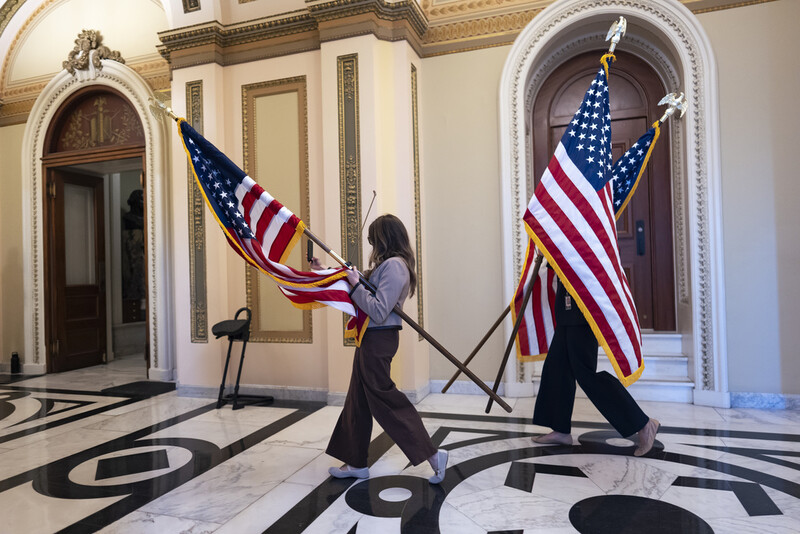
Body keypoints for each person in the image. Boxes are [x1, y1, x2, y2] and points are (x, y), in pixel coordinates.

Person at [311, 214, 448, 483]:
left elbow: (378, 308)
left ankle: (432, 455)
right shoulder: (388, 265)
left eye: (374, 240)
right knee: (357, 401)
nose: (372, 245)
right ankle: (355, 462)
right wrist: (325, 270)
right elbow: (359, 281)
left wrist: (354, 285)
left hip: (380, 338)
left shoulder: (395, 266)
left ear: (385, 238)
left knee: (385, 400)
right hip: (370, 338)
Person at [532, 267, 660, 456]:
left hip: (585, 304)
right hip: (567, 300)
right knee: (557, 366)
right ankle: (560, 429)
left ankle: (643, 424)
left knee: (585, 373)